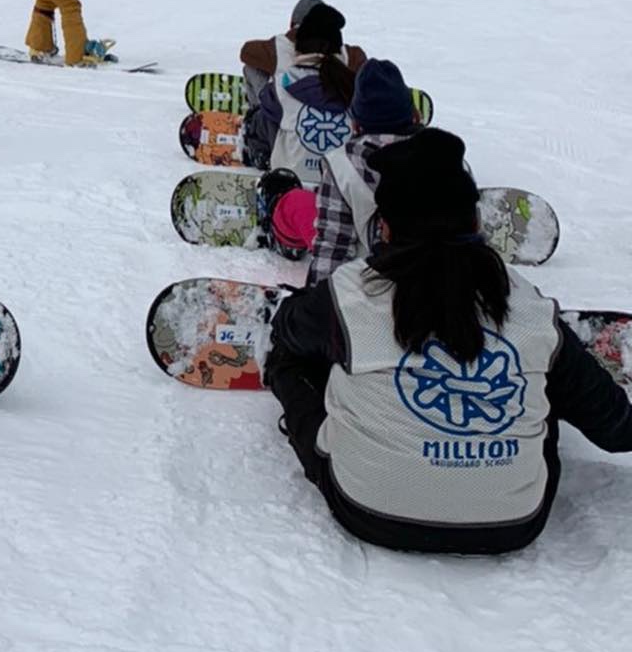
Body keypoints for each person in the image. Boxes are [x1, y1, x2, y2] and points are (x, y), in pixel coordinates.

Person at [265, 128, 632, 555]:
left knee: (291, 359)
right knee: (545, 379)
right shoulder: (529, 306)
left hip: (369, 510)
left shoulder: (348, 295)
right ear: (476, 221)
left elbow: (286, 331)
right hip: (512, 521)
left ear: (383, 226)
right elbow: (615, 430)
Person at [299, 59, 426, 281]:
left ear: (356, 123)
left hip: (376, 290)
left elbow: (333, 246)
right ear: (414, 115)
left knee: (298, 203)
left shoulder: (341, 165)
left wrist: (317, 303)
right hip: (447, 288)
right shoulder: (449, 157)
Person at [244, 2, 356, 178]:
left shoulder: (282, 86)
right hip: (339, 182)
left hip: (291, 179)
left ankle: (260, 154)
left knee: (264, 118)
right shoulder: (353, 87)